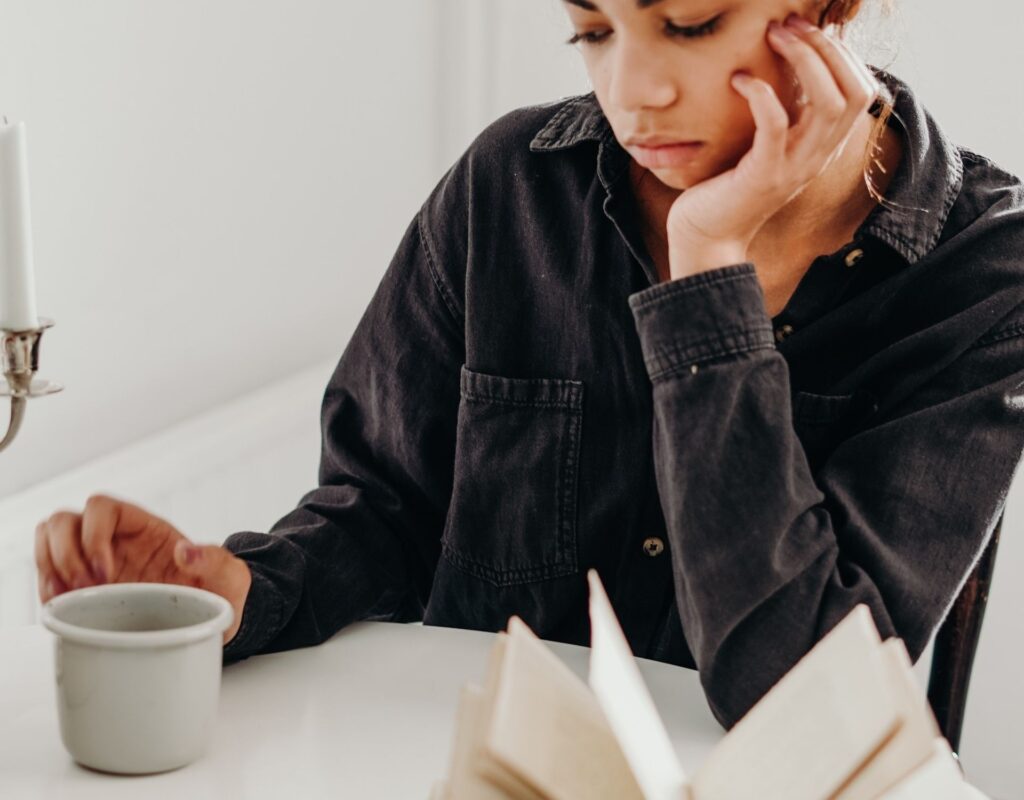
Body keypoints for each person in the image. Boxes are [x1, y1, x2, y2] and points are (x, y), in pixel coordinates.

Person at [33, 0, 1024, 730]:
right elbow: (384, 509)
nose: (633, 90)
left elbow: (803, 695)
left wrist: (707, 268)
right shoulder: (509, 187)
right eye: (592, 29)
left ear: (827, 12)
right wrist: (244, 586)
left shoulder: (989, 273)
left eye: (687, 23)